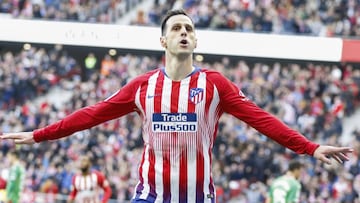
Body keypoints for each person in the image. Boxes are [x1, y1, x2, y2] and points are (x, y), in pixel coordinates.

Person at [0, 9, 353, 203]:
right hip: (149, 197)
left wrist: (309, 147)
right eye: (177, 28)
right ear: (164, 40)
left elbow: (261, 120)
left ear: (195, 39)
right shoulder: (142, 86)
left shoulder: (215, 84)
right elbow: (91, 114)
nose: (184, 32)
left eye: (189, 28)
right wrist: (40, 135)